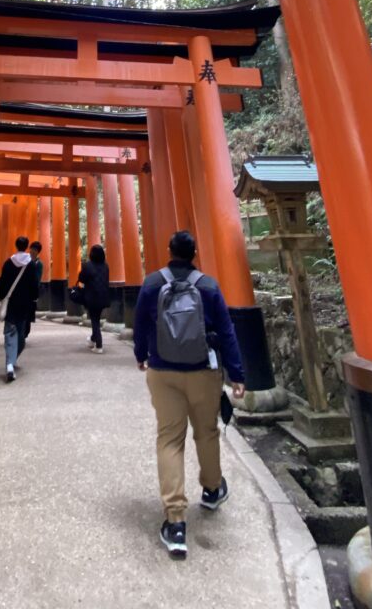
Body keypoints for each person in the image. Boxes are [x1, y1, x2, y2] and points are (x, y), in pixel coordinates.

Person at [133, 230, 245, 559]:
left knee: (170, 439)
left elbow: (140, 324)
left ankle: (176, 522)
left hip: (163, 371)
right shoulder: (208, 286)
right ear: (195, 253)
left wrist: (141, 354)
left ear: (169, 251)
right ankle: (212, 489)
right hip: (203, 371)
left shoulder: (153, 284)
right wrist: (237, 373)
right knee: (207, 432)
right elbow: (226, 331)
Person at [0, 236, 39, 383]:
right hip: (25, 303)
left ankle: (10, 363)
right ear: (27, 246)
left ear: (16, 246)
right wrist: (35, 297)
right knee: (21, 333)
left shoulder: (8, 263)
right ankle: (12, 360)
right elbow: (35, 285)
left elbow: (2, 283)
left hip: (11, 302)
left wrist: (2, 297)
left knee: (10, 332)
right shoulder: (32, 265)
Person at [78, 244, 110, 353]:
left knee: (94, 320)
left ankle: (99, 345)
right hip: (103, 296)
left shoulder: (88, 266)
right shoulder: (105, 266)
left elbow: (81, 278)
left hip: (92, 297)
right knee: (96, 318)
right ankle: (92, 339)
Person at [24, 241, 44, 339]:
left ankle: (25, 333)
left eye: (35, 250)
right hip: (22, 291)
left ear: (38, 252)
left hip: (31, 292)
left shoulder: (39, 264)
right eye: (32, 249)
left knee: (28, 315)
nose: (32, 251)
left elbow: (37, 279)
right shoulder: (24, 260)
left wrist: (36, 294)